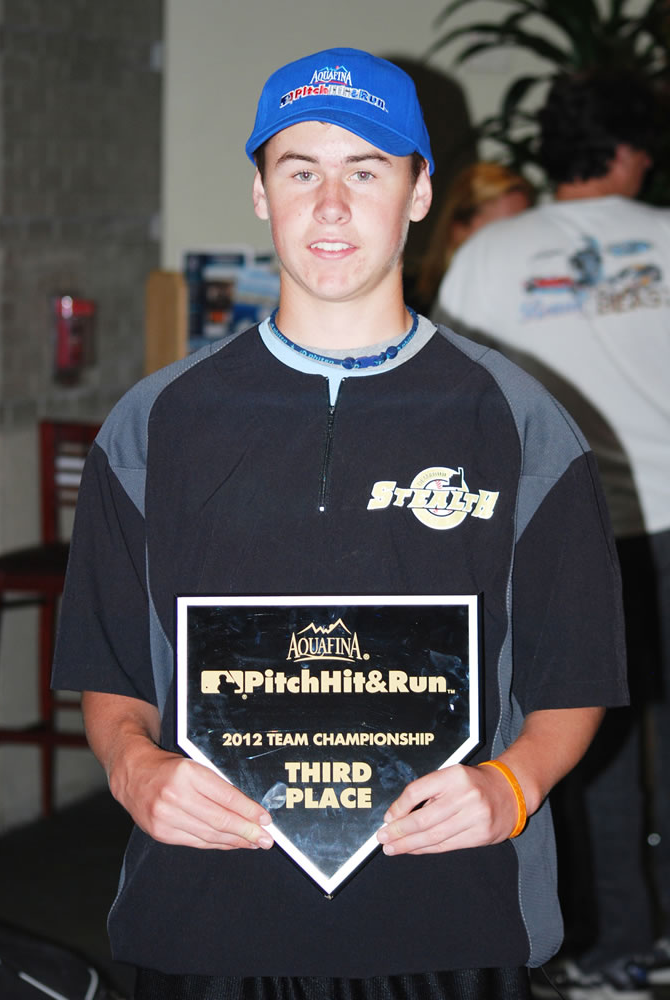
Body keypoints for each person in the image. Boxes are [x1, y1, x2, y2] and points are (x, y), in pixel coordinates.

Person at [52, 48, 628, 1000]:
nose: (330, 205)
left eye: (365, 170)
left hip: (446, 915)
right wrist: (132, 769)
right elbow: (110, 673)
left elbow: (575, 673)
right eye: (299, 170)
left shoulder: (517, 422)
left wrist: (513, 786)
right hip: (207, 920)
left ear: (416, 193)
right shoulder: (155, 425)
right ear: (260, 193)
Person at [436, 68, 670, 999]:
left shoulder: (493, 256)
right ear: (627, 149)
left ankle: (614, 949)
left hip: (567, 537)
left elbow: (455, 404)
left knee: (591, 748)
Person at [414, 161, 534, 314]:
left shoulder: (529, 296)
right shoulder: (411, 307)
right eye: (503, 230)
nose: (518, 242)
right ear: (459, 228)